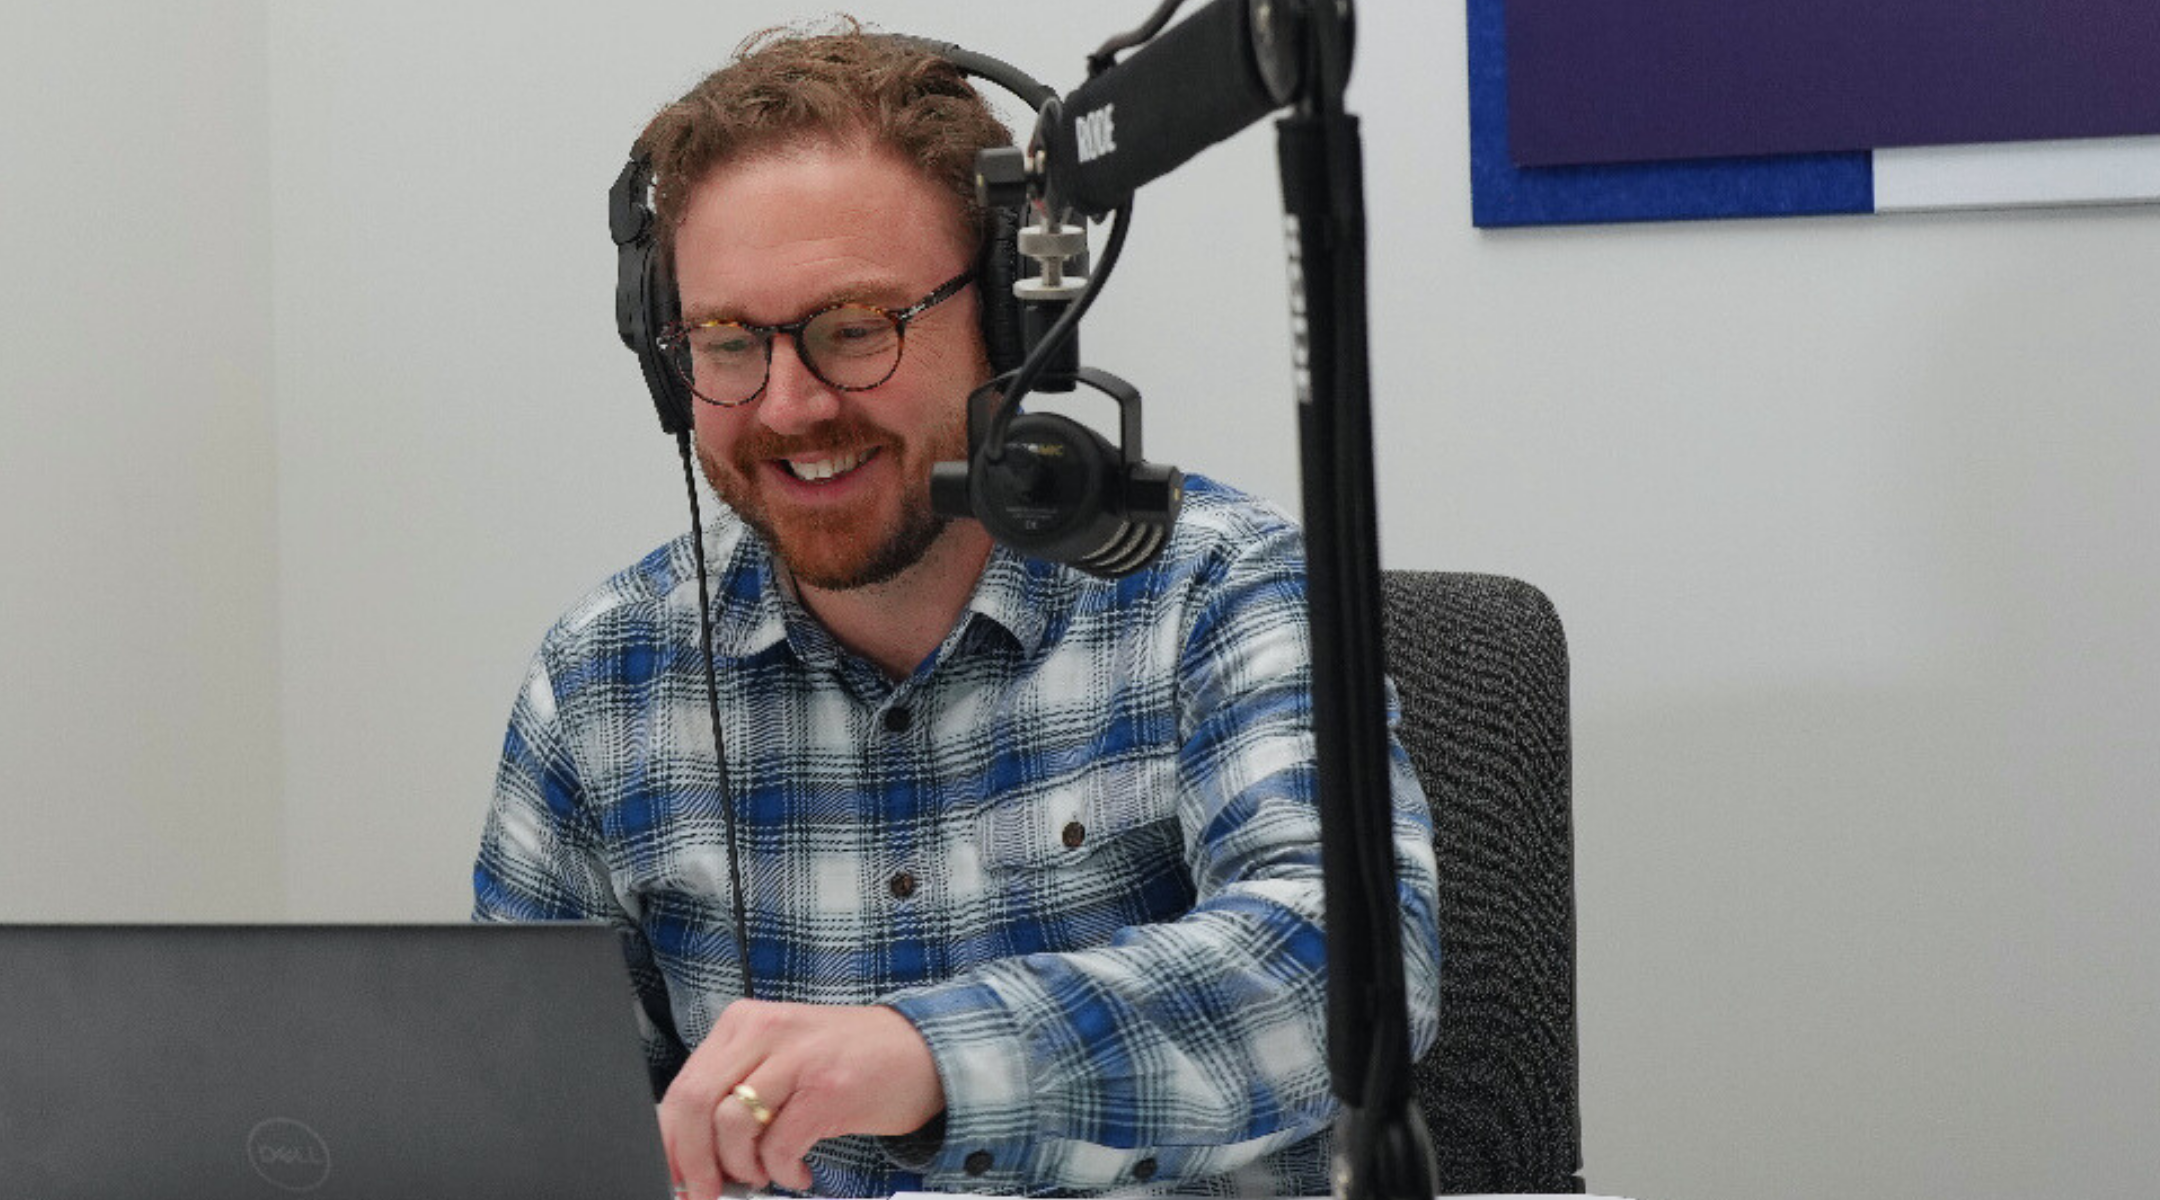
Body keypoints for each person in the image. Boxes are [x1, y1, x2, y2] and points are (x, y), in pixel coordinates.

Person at [473, 22, 1441, 1200]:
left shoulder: (1218, 590)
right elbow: (531, 1130)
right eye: (728, 343)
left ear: (1011, 324)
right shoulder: (600, 681)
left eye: (853, 329)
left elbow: (1334, 973)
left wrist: (921, 1058)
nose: (786, 407)